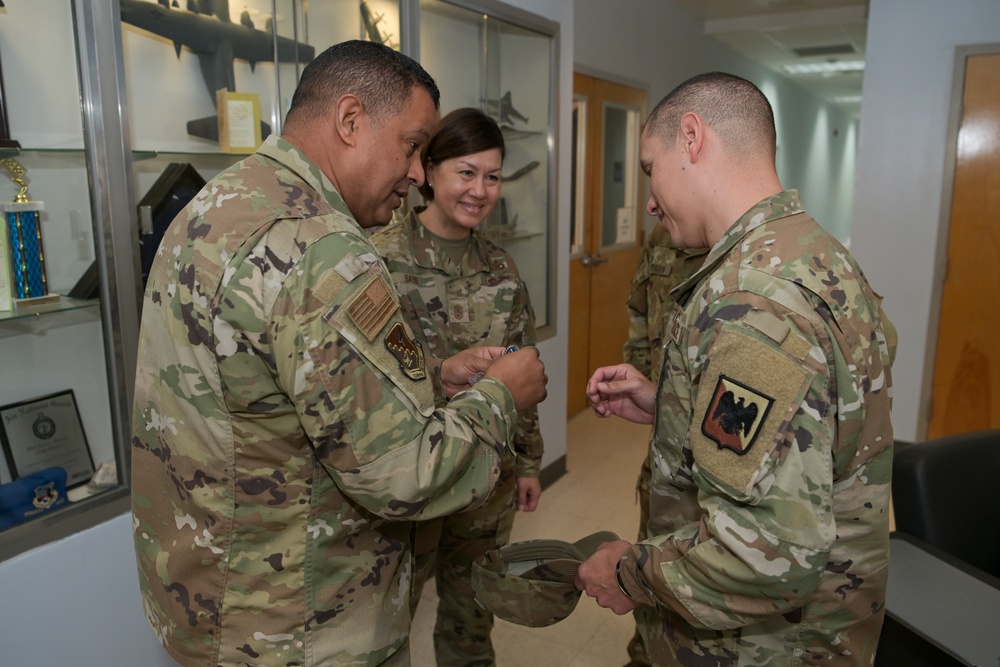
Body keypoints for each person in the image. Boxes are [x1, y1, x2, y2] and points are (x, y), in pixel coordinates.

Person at [130, 40, 547, 667]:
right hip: (300, 625)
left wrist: (432, 374)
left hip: (210, 602)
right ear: (350, 120)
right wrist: (501, 397)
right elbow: (404, 474)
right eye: (411, 146)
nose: (416, 172)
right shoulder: (321, 250)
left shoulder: (218, 206)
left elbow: (272, 386)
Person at [575, 72, 894, 666]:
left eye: (650, 167)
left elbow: (766, 554)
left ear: (691, 138)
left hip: (760, 646)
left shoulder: (751, 300)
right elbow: (812, 427)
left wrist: (630, 571)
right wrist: (671, 403)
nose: (649, 198)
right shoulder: (816, 254)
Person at [371, 107, 544, 667]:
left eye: (492, 176)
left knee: (471, 618)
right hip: (409, 478)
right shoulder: (380, 259)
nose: (480, 190)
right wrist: (441, 369)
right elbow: (363, 380)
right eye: (466, 173)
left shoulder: (501, 268)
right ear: (430, 170)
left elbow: (523, 370)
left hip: (485, 480)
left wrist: (530, 462)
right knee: (385, 621)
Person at [620, 223, 707, 667]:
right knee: (649, 577)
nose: (650, 201)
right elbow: (640, 306)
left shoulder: (763, 259)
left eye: (652, 170)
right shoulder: (662, 238)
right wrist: (652, 390)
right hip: (664, 463)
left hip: (722, 485)